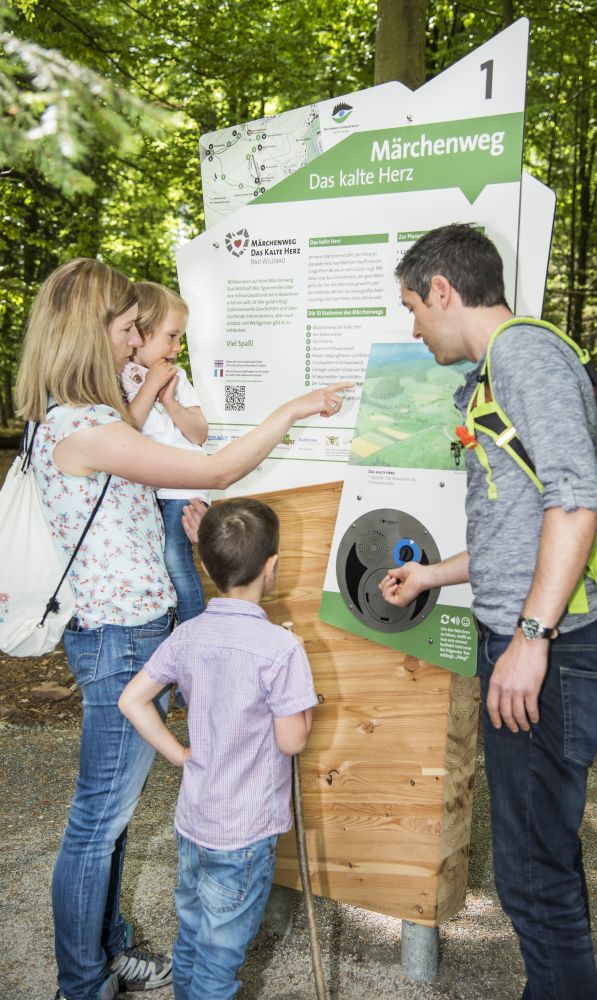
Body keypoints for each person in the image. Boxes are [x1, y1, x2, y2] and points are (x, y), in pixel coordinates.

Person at [14, 257, 349, 1000]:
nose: (136, 342)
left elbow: (119, 447)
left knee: (114, 819)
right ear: (87, 331)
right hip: (119, 639)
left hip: (119, 632)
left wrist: (151, 399)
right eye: (128, 328)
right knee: (97, 823)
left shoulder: (67, 418)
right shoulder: (83, 426)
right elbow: (217, 470)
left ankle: (107, 950)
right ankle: (83, 981)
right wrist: (290, 411)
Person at [379, 224, 597, 1000]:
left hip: (550, 657)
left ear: (443, 291)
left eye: (413, 307)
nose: (413, 327)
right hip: (532, 646)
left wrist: (528, 639)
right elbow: (521, 530)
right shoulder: (501, 367)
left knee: (528, 872)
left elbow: (576, 502)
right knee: (541, 856)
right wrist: (431, 579)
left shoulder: (524, 355)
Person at [119, 498, 316, 1000]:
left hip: (194, 822)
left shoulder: (187, 636)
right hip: (245, 834)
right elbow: (292, 739)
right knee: (219, 963)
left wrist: (180, 756)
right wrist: (304, 703)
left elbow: (132, 700)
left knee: (191, 939)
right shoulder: (282, 649)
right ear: (273, 567)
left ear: (204, 566)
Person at [121, 281, 208, 626]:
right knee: (154, 562)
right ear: (140, 333)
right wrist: (149, 386)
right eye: (171, 336)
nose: (177, 347)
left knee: (175, 558)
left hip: (181, 487)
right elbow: (127, 428)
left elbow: (199, 433)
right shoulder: (119, 376)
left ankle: (192, 631)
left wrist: (170, 401)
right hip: (148, 488)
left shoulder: (178, 377)